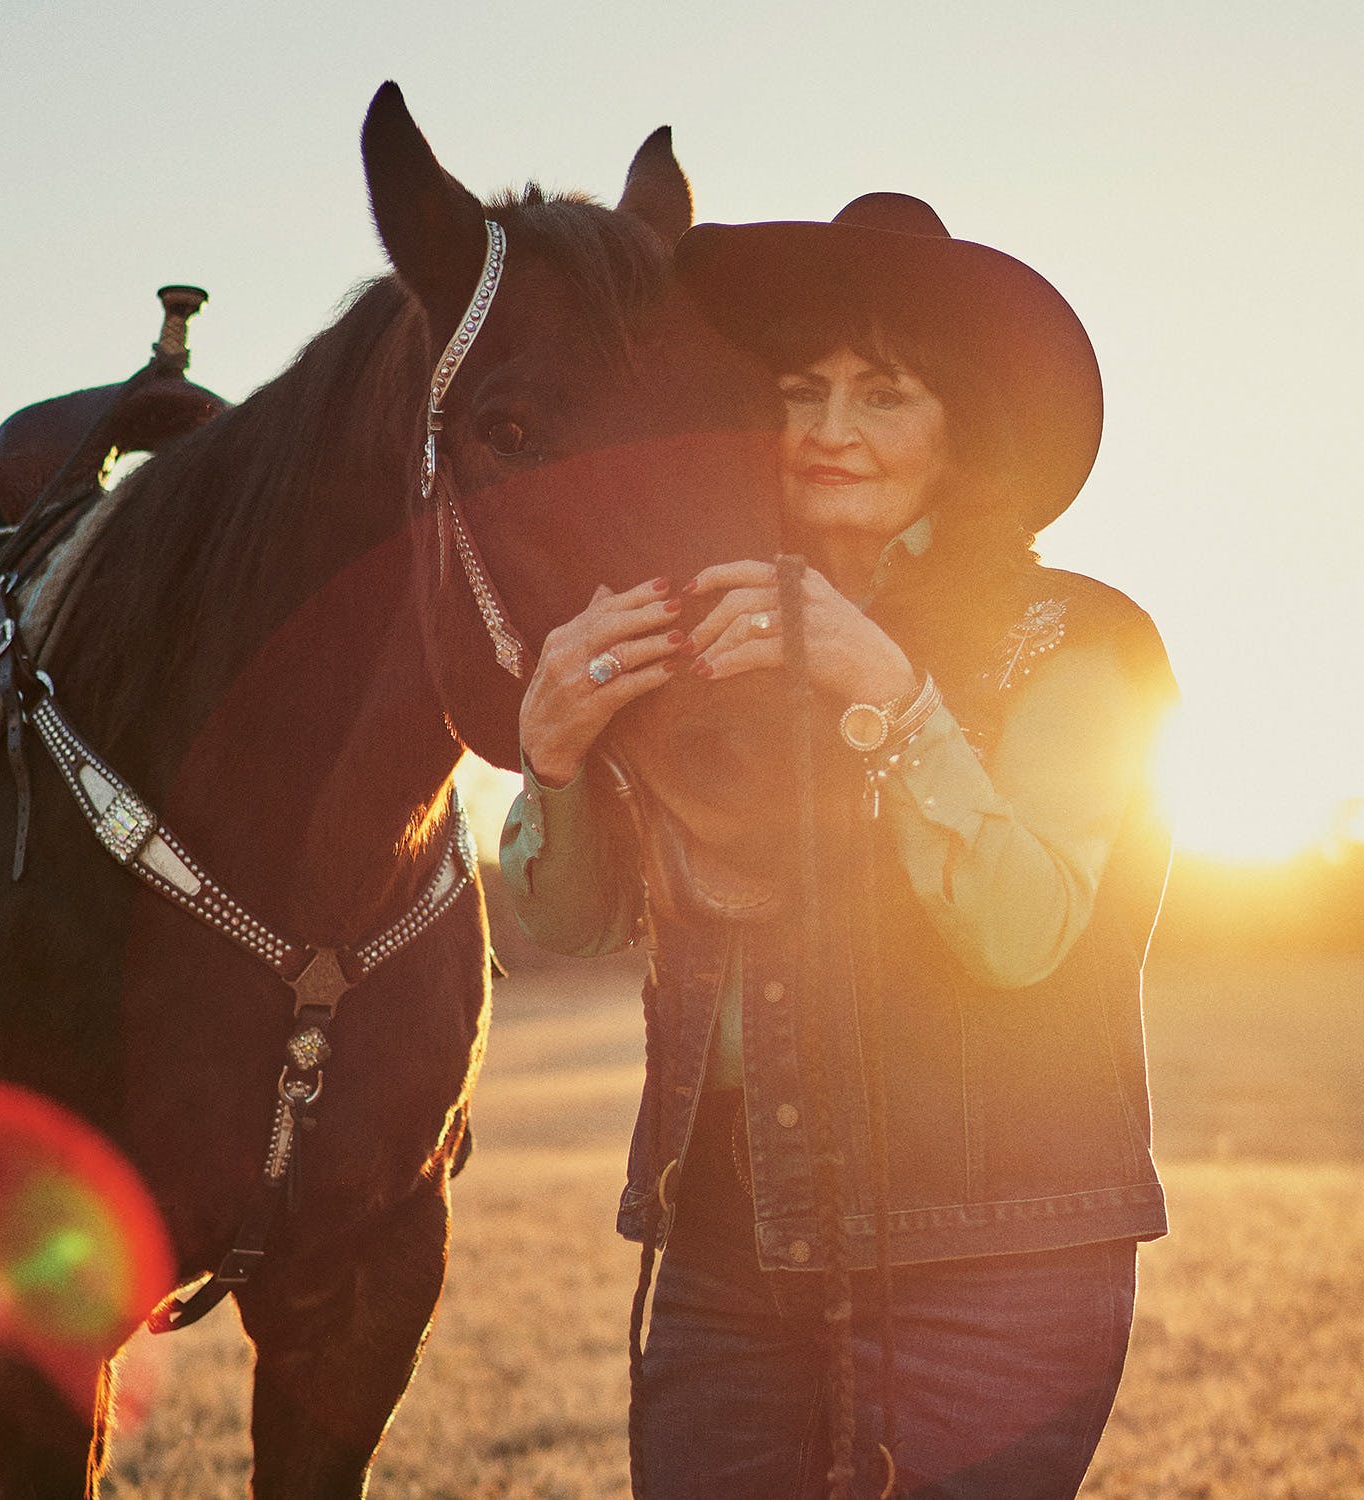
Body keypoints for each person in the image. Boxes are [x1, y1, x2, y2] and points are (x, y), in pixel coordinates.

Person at [500, 193, 1179, 1498]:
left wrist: (896, 699)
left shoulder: (1079, 639)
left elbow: (1024, 931)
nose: (828, 431)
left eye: (884, 395)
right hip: (724, 1249)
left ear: (962, 428)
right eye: (803, 391)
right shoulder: (702, 618)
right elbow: (570, 923)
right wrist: (557, 753)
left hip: (991, 1258)